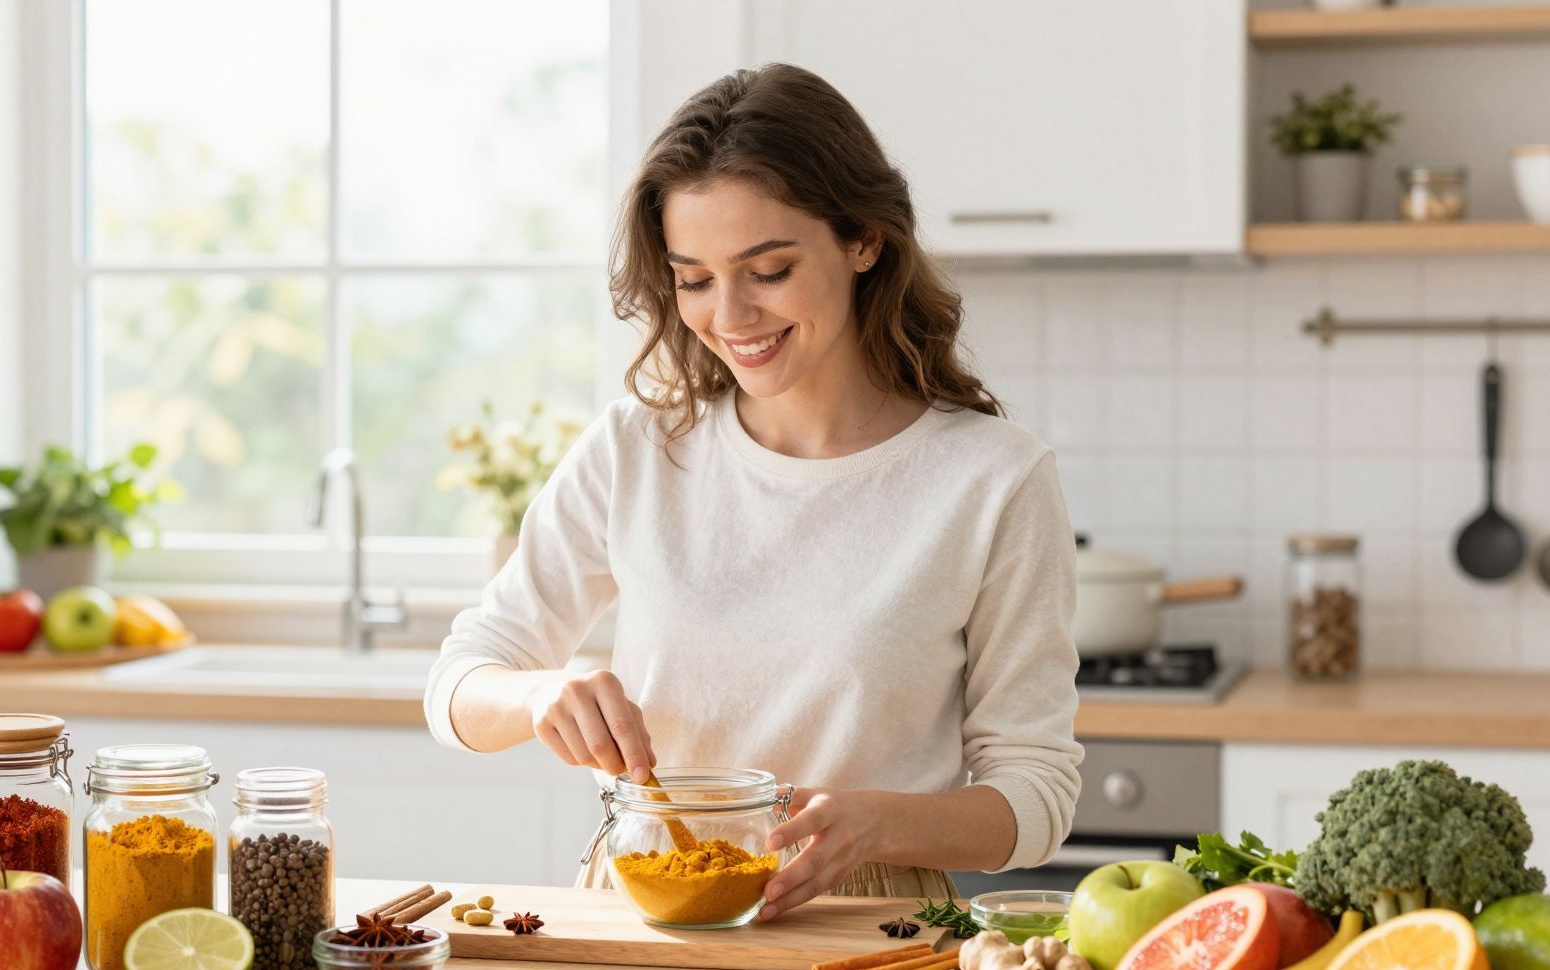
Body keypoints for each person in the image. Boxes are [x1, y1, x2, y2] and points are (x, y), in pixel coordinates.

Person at [424, 63, 1081, 918]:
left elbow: (1035, 796)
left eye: (767, 270)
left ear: (864, 240)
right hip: (645, 907)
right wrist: (540, 695)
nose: (728, 316)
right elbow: (459, 684)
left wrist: (880, 825)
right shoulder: (636, 449)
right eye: (693, 278)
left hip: (865, 919)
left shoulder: (992, 479)